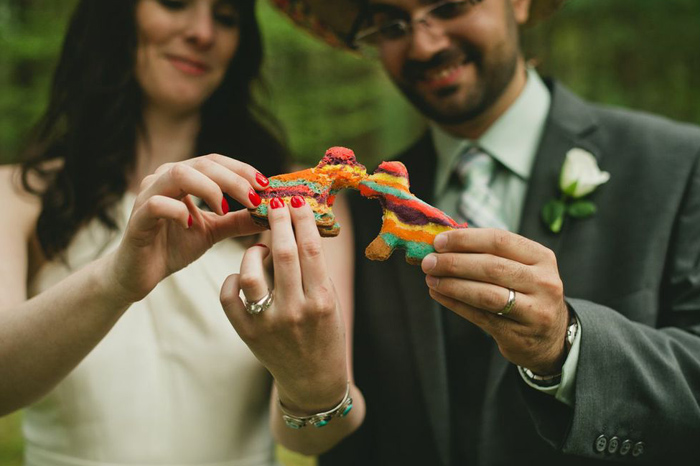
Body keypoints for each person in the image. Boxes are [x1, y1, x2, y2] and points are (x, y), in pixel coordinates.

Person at [265, 0, 700, 464]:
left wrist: (564, 345)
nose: (425, 44)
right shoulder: (356, 214)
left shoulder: (679, 164)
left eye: (451, 5)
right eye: (390, 24)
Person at [0, 0, 362, 464]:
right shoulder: (19, 197)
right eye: (175, 3)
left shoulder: (291, 202)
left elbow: (314, 434)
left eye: (226, 17)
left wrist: (315, 384)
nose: (203, 32)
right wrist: (114, 282)